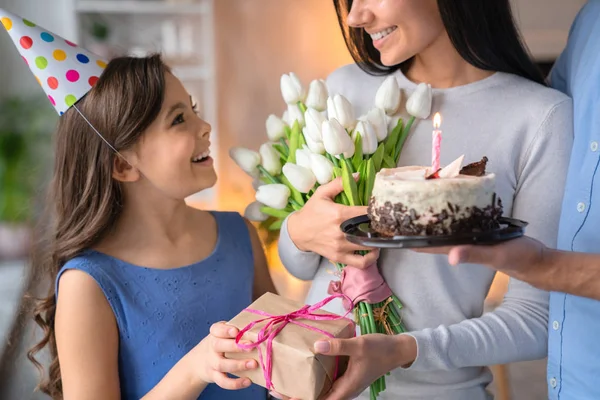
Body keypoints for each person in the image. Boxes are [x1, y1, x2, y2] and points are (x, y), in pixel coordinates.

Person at [277, 1, 574, 399]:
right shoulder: (346, 87)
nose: (355, 17)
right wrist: (297, 232)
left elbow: (537, 318)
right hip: (306, 385)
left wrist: (407, 350)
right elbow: (301, 266)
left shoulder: (539, 117)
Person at [0, 11, 275, 398]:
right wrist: (195, 369)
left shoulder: (240, 234)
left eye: (192, 108)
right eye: (179, 119)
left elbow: (279, 358)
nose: (204, 126)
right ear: (123, 164)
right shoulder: (89, 284)